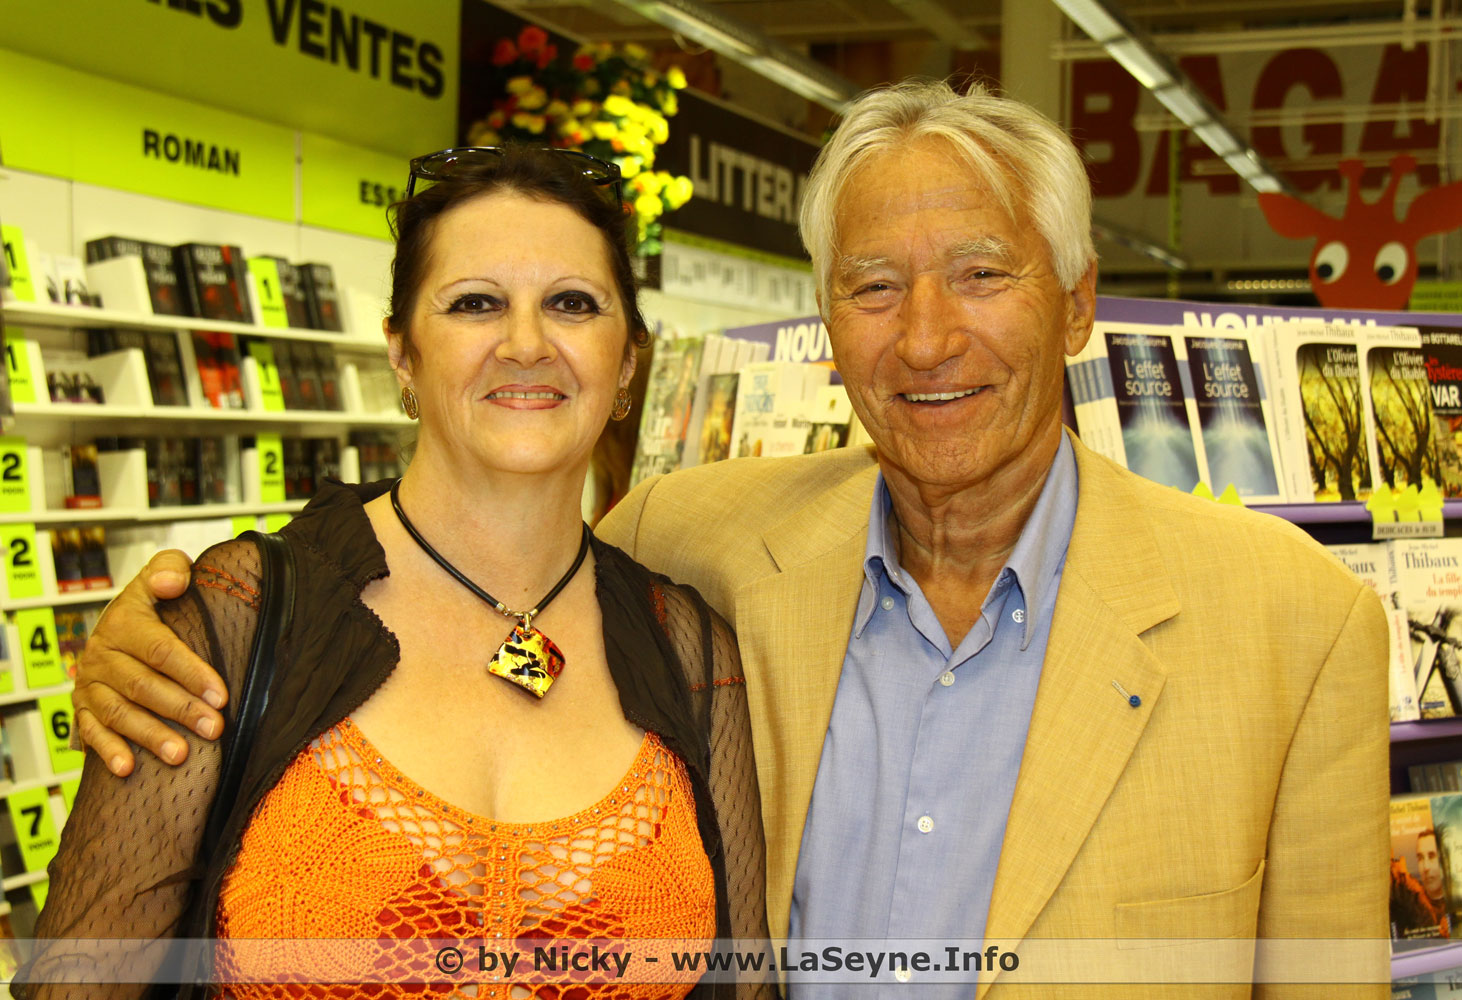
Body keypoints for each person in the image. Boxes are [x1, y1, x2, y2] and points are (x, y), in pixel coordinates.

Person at [71, 80, 1388, 997]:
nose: (925, 337)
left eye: (981, 273)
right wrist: (163, 626)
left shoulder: (1294, 627)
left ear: (1078, 303)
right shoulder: (692, 551)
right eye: (873, 286)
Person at [22, 146, 770, 998]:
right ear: (403, 354)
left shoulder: (690, 652)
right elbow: (75, 982)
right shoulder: (238, 618)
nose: (527, 344)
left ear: (627, 359)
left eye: (572, 303)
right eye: (476, 303)